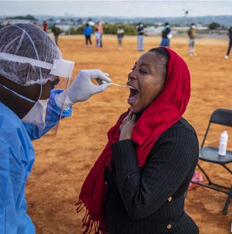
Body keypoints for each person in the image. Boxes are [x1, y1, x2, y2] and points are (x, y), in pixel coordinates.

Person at [0, 23, 112, 234]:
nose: (47, 96)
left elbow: (20, 126)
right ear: (26, 72)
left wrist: (67, 99)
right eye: (50, 86)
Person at [76, 47, 199, 234]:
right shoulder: (129, 120)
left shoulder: (179, 138)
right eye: (133, 68)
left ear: (167, 86)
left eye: (143, 71)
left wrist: (125, 143)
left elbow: (139, 205)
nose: (131, 74)